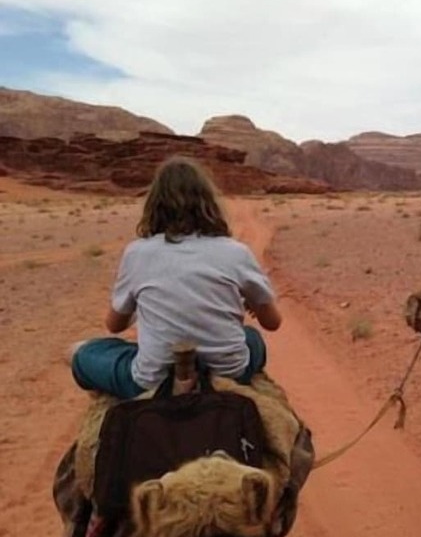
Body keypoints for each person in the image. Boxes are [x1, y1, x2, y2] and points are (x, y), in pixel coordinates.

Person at [70, 156, 282, 399]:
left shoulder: (137, 252)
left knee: (80, 352)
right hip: (230, 372)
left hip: (153, 380)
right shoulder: (236, 252)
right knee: (252, 337)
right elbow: (272, 323)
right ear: (208, 203)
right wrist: (254, 304)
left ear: (155, 204)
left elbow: (114, 325)